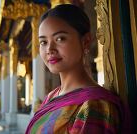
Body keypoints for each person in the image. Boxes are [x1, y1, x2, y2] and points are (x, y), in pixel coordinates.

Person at [25, 4, 132, 134]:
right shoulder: (52, 97)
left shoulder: (94, 106)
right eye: (43, 42)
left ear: (86, 41)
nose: (49, 50)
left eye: (60, 38)